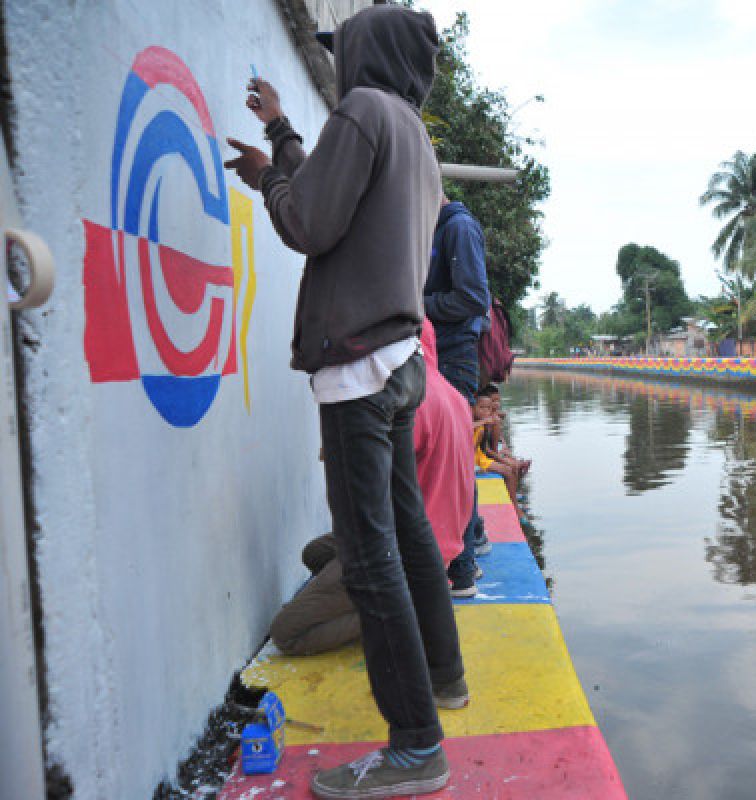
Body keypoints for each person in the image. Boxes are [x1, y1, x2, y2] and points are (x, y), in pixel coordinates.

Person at [223, 7, 461, 796]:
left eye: (339, 50)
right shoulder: (411, 135)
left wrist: (270, 178)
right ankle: (445, 677)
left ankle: (415, 748)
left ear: (364, 53)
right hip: (399, 362)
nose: (333, 64)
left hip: (357, 368)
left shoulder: (361, 112)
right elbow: (339, 203)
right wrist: (288, 133)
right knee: (407, 532)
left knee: (368, 559)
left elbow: (308, 221)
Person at [270, 321, 475, 657]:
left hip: (404, 550)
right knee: (315, 554)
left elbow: (362, 490)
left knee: (286, 633)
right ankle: (402, 599)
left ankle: (404, 612)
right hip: (443, 547)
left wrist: (338, 449)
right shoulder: (454, 397)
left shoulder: (407, 402)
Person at [425, 195, 492, 595]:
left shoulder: (458, 228)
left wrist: (412, 301)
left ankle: (461, 570)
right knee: (458, 461)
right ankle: (476, 537)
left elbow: (472, 298)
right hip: (442, 354)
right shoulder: (439, 228)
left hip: (453, 356)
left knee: (451, 463)